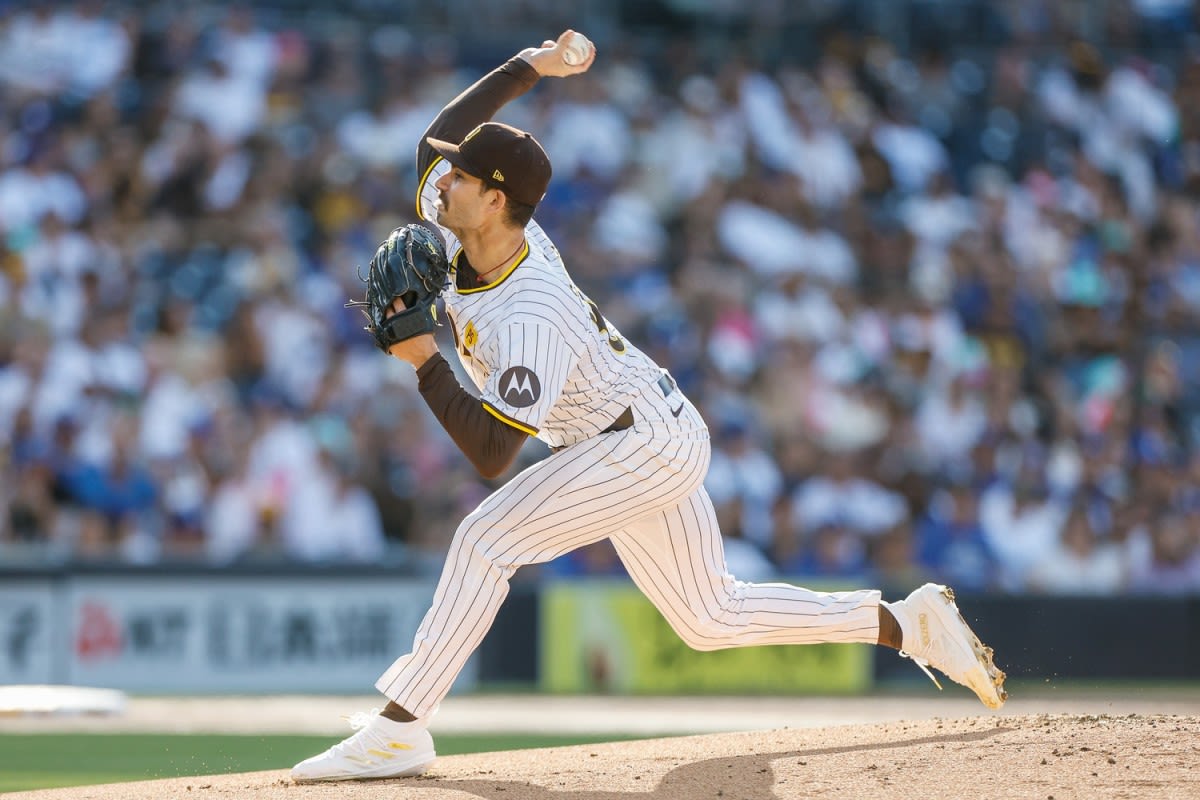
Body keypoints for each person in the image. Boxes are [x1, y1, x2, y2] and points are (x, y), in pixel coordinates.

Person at [290, 31, 1007, 783]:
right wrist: (532, 66)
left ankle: (401, 727)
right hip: (636, 427)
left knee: (484, 540)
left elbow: (492, 455)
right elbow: (432, 140)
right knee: (709, 618)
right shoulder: (462, 220)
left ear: (496, 200)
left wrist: (424, 364)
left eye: (463, 177)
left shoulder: (529, 312)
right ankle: (908, 624)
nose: (443, 183)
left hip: (640, 443)